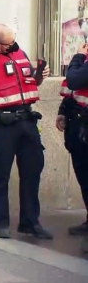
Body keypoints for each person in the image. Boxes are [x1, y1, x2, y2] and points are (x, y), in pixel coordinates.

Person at [0, 24, 52, 239]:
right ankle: (2, 223)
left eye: (14, 40)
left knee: (32, 173)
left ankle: (30, 222)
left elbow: (30, 81)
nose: (14, 45)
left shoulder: (18, 53)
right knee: (0, 175)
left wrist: (40, 75)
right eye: (8, 42)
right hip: (1, 125)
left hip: (27, 121)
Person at [58, 43, 88, 237]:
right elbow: (74, 91)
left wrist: (77, 56)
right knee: (84, 177)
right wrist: (63, 112)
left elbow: (75, 79)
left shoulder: (81, 60)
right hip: (80, 125)